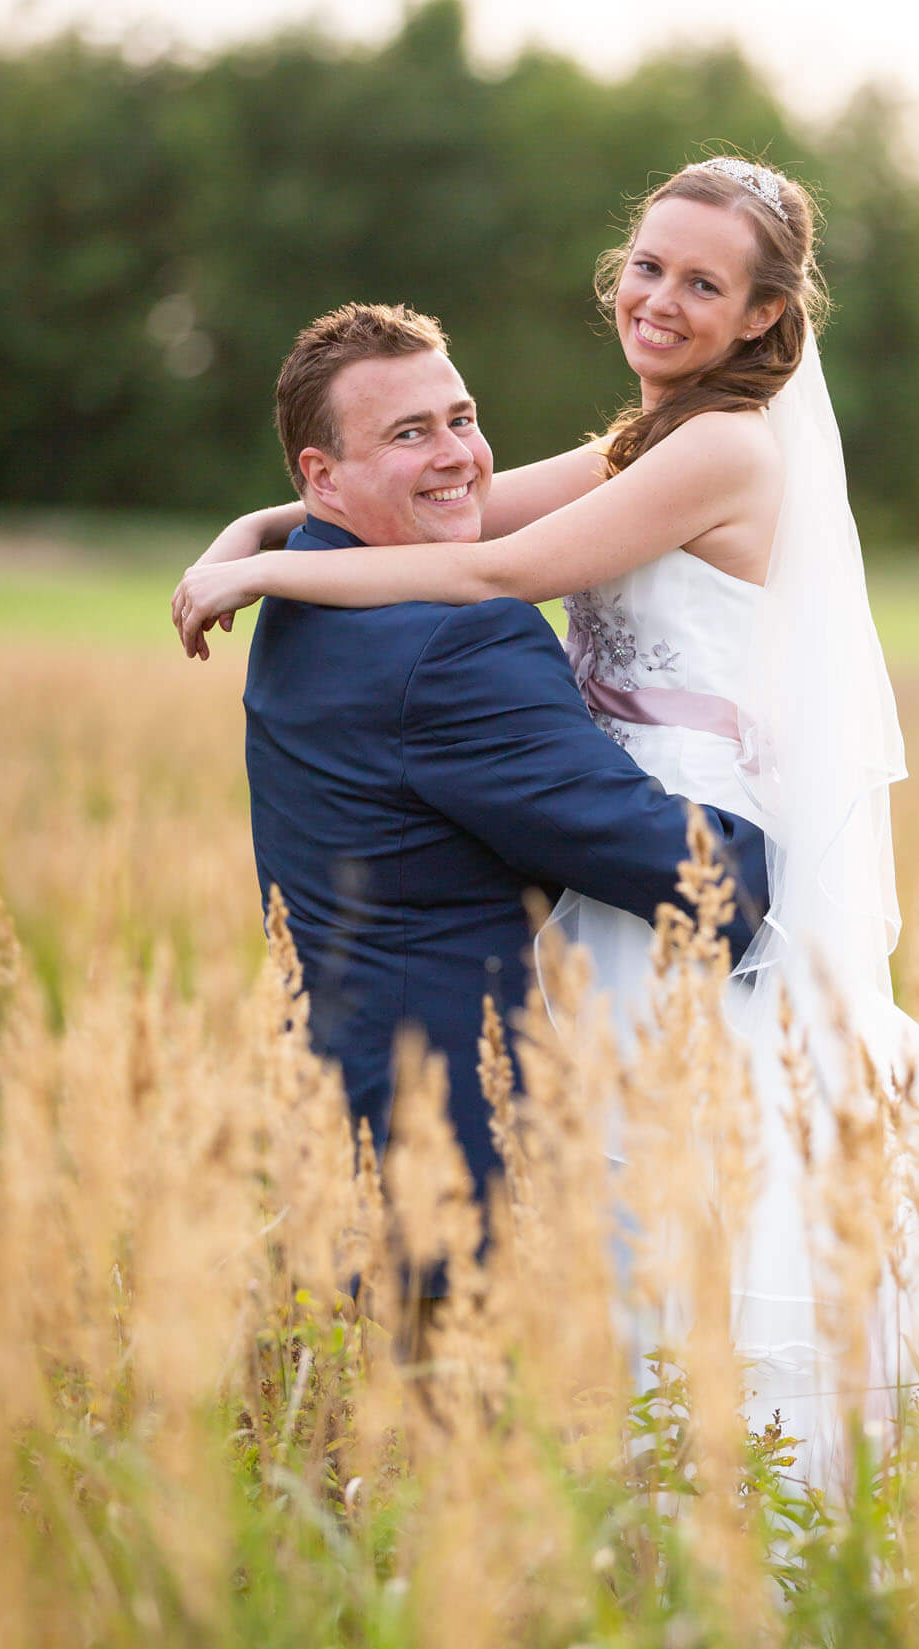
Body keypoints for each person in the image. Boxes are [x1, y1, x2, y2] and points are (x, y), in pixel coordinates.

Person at [175, 161, 919, 1542]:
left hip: (683, 853)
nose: (660, 299)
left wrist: (269, 574)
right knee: (640, 1201)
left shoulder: (723, 447)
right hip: (610, 856)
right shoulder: (648, 439)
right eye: (647, 265)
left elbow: (491, 569)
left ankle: (820, 1521)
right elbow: (469, 498)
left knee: (749, 1196)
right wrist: (255, 528)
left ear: (764, 318)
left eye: (705, 283)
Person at [216, 297, 769, 1211]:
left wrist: (252, 530)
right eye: (409, 433)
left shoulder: (306, 595)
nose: (457, 456)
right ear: (323, 475)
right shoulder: (454, 645)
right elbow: (667, 862)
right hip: (460, 1149)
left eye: (462, 419)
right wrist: (809, 875)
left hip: (352, 1108)